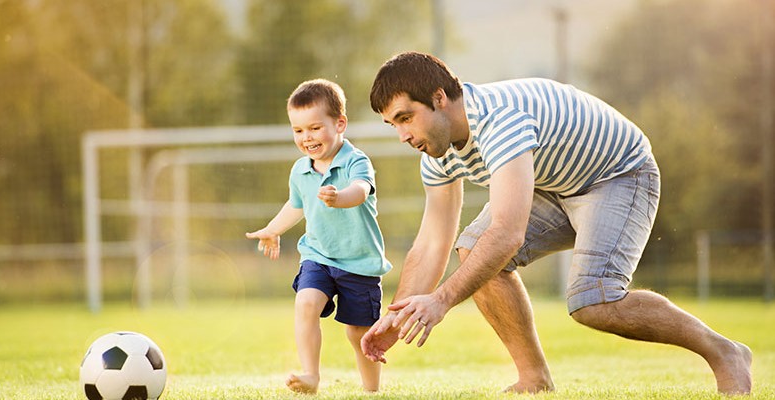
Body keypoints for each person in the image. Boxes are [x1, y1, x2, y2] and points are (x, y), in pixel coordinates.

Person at [359, 51, 753, 395]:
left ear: (439, 98)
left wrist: (442, 300)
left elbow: (508, 234)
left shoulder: (500, 122)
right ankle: (534, 378)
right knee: (472, 249)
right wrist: (399, 315)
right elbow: (431, 242)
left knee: (593, 301)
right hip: (554, 184)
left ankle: (725, 351)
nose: (402, 136)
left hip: (617, 175)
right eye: (393, 124)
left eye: (405, 118)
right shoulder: (436, 152)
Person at [246, 79, 392, 394]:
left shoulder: (356, 161)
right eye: (298, 131)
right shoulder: (300, 170)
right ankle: (310, 375)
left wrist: (339, 197)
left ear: (340, 123)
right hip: (318, 256)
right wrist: (273, 229)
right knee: (306, 301)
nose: (306, 138)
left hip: (359, 262)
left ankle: (371, 388)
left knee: (359, 333)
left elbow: (360, 190)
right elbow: (296, 204)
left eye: (314, 128)